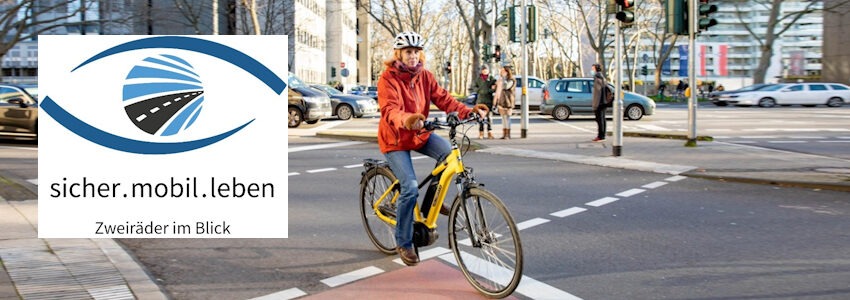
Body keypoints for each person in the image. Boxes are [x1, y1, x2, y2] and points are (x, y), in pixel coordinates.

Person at [377, 31, 487, 267]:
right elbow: (390, 110)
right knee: (410, 188)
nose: (413, 56)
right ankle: (404, 242)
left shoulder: (425, 76)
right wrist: (407, 119)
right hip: (395, 138)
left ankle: (432, 203)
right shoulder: (388, 78)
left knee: (449, 155)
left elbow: (445, 99)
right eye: (408, 52)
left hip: (419, 134)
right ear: (399, 54)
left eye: (416, 51)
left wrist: (469, 112)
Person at [472, 65, 496, 139]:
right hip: (480, 100)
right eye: (483, 70)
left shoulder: (491, 78)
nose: (485, 71)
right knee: (480, 117)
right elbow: (474, 87)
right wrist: (479, 90)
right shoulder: (478, 79)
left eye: (486, 70)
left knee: (489, 117)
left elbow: (494, 87)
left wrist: (489, 91)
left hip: (489, 100)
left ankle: (490, 132)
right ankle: (481, 133)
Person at [493, 65, 515, 139]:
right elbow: (497, 89)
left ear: (507, 72)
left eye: (503, 71)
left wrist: (502, 79)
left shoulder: (511, 80)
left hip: (508, 101)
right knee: (503, 118)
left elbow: (506, 86)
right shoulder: (501, 79)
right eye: (501, 71)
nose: (501, 72)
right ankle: (504, 133)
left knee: (507, 117)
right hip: (501, 101)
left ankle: (508, 134)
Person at [591, 63, 609, 142]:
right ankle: (602, 135)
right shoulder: (602, 77)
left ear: (596, 69)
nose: (592, 70)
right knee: (602, 119)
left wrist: (595, 104)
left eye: (593, 68)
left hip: (599, 102)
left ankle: (600, 136)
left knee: (600, 119)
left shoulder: (597, 78)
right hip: (603, 102)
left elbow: (597, 93)